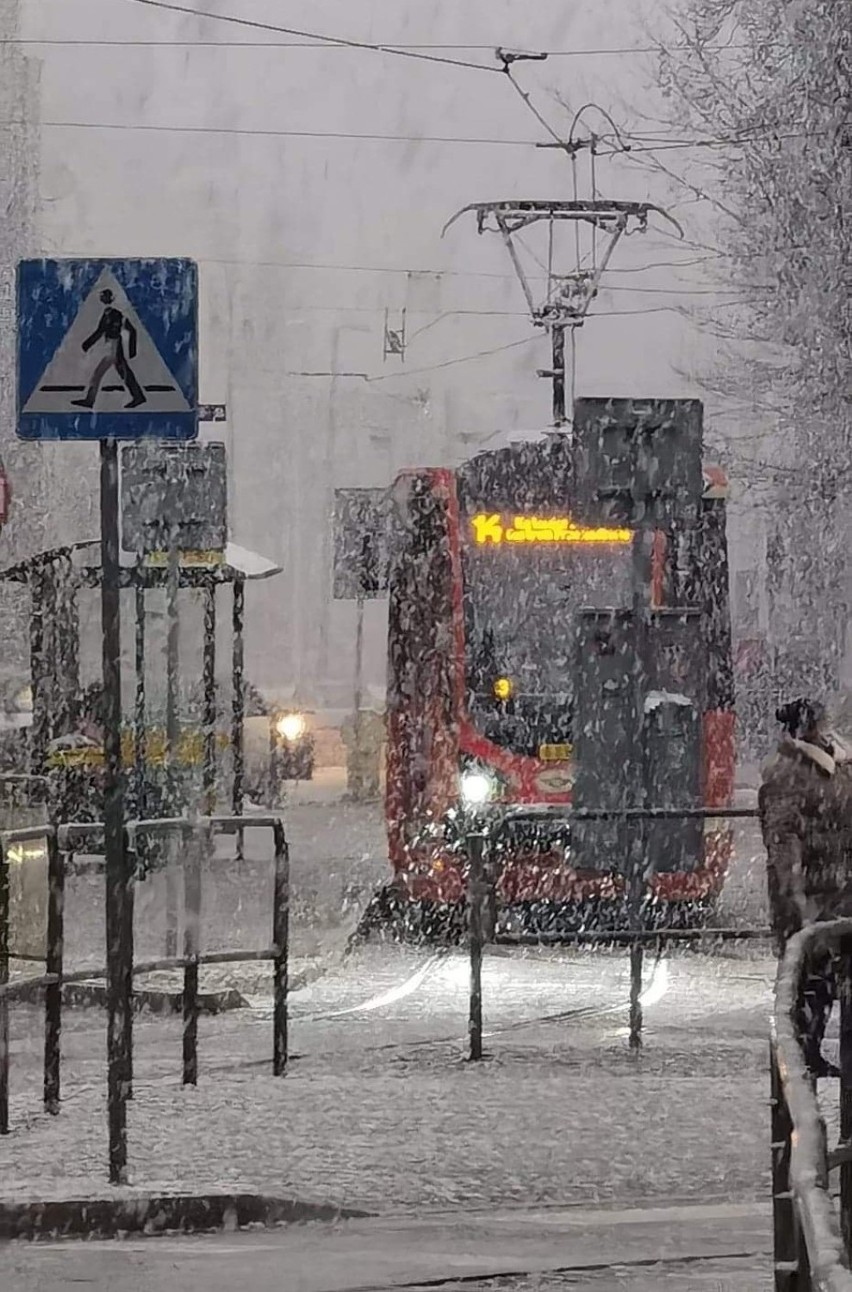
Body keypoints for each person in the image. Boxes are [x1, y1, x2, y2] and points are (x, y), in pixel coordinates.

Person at [759, 697, 852, 1078]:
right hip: (812, 896)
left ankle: (811, 1057)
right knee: (809, 979)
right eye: (820, 722)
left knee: (829, 980)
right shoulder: (789, 774)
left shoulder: (834, 764)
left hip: (836, 891)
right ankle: (801, 1061)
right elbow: (783, 839)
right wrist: (796, 894)